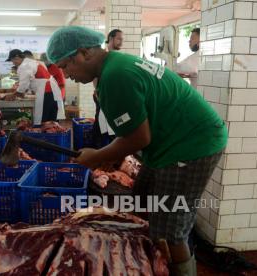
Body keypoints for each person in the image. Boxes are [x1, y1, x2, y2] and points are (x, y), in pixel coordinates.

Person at [47, 26, 228, 276]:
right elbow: (135, 130)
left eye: (65, 66)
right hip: (169, 142)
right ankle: (143, 262)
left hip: (190, 145)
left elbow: (139, 137)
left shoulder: (116, 76)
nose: (65, 75)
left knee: (170, 230)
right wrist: (115, 155)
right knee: (141, 200)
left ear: (81, 53)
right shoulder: (115, 65)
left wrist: (97, 156)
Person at [6, 49, 65, 125]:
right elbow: (32, 81)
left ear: (17, 57)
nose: (13, 63)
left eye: (13, 61)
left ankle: (44, 136)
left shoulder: (25, 65)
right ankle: (52, 135)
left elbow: (23, 85)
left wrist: (14, 94)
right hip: (53, 92)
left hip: (46, 92)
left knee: (44, 121)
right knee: (52, 120)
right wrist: (22, 92)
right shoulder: (34, 62)